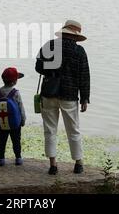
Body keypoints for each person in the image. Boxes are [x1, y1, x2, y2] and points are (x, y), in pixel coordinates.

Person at [35, 20, 90, 175]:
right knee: (73, 130)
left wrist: (52, 72)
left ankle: (53, 165)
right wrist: (85, 98)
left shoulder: (49, 46)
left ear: (63, 32)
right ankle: (78, 164)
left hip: (49, 93)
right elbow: (84, 76)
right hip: (70, 95)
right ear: (75, 36)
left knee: (50, 130)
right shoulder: (79, 51)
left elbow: (38, 67)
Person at [0, 67, 26, 167]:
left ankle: (1, 159)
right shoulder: (16, 93)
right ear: (15, 81)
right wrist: (22, 120)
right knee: (16, 140)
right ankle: (18, 158)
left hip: (2, 123)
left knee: (1, 141)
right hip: (15, 124)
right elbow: (21, 108)